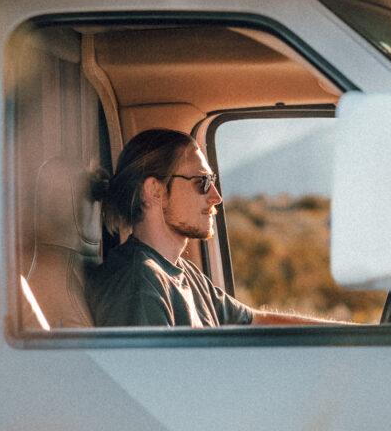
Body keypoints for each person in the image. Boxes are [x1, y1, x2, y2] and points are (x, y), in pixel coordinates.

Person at [86, 128, 335, 328]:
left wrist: (353, 340)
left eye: (212, 182)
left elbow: (260, 322)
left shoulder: (183, 273)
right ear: (155, 191)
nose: (216, 196)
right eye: (202, 182)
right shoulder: (139, 284)